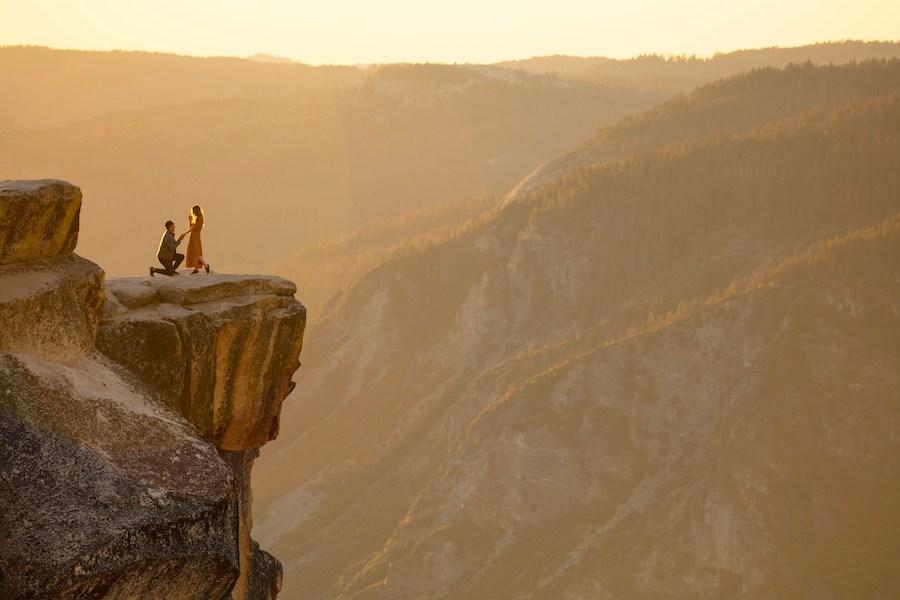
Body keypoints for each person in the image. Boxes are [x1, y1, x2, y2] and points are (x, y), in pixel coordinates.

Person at [184, 204, 211, 274]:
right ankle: (198, 267)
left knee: (196, 253)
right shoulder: (199, 218)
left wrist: (190, 221)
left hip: (195, 237)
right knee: (196, 253)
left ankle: (205, 266)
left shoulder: (199, 218)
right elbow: (193, 227)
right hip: (195, 236)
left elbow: (193, 227)